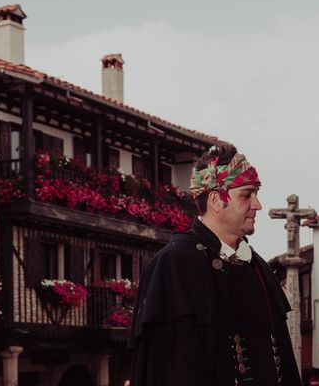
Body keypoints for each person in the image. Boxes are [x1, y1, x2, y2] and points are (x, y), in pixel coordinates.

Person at [129, 144, 302, 386]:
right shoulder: (173, 265)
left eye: (256, 193)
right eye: (246, 194)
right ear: (216, 200)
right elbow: (170, 370)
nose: (257, 205)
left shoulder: (258, 266)